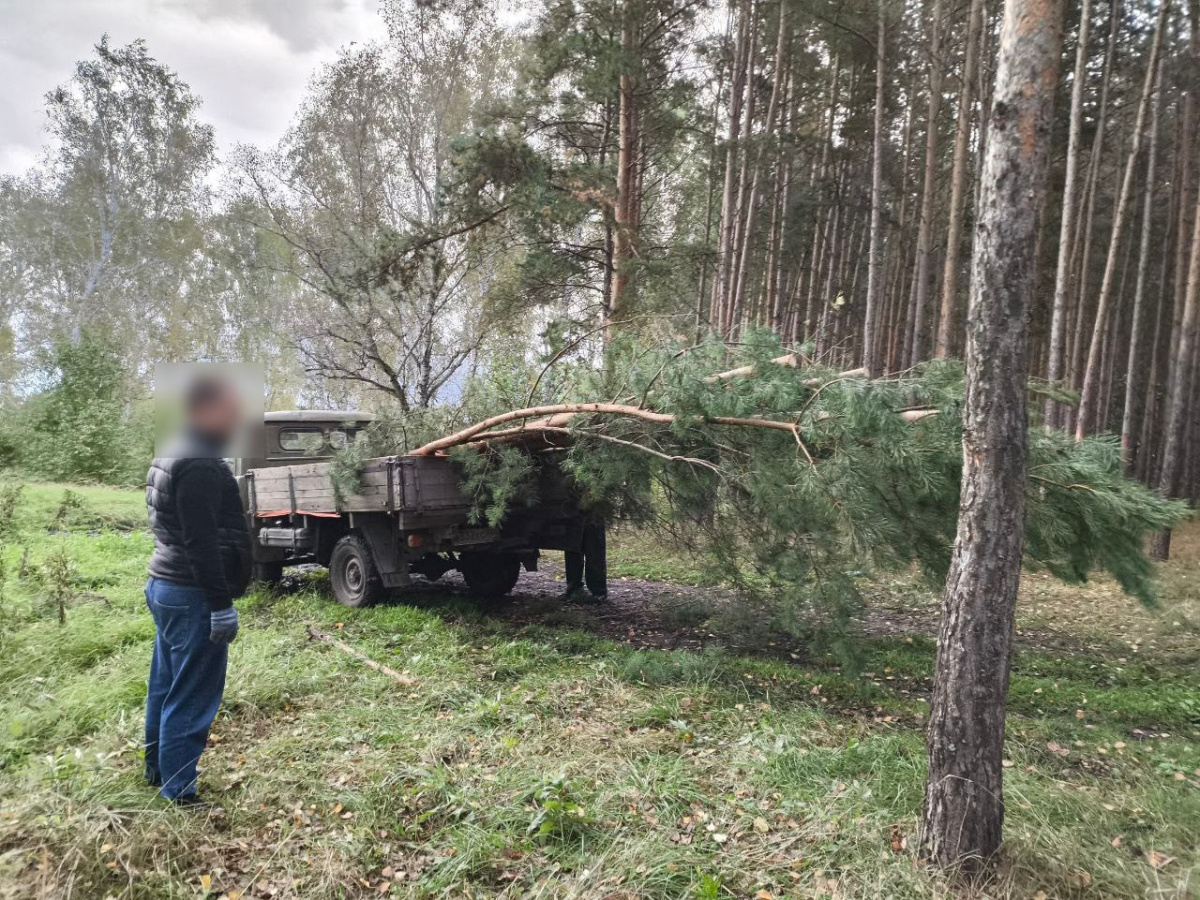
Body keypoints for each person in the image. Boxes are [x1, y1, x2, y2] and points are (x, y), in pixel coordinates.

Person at [144, 377, 251, 805]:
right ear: (204, 410)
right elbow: (201, 542)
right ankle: (180, 792)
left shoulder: (173, 449)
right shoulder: (200, 463)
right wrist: (221, 605)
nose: (236, 418)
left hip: (166, 585)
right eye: (230, 410)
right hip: (192, 595)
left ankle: (157, 769)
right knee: (192, 695)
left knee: (167, 685)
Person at [562, 514, 607, 601]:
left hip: (593, 510)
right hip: (572, 510)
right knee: (572, 550)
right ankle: (574, 589)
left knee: (594, 549)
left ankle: (598, 592)